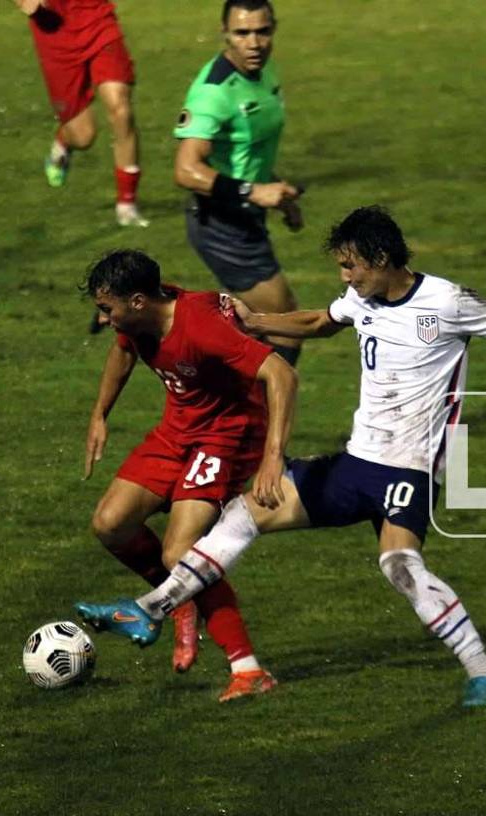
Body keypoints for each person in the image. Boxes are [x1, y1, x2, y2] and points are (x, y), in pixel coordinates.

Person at [76, 206, 486, 708]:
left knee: (399, 567)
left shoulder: (448, 301)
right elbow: (317, 322)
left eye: (349, 265)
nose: (343, 276)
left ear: (381, 260)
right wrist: (258, 321)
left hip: (409, 469)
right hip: (357, 462)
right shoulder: (361, 300)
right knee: (244, 513)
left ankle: (483, 673)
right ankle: (150, 608)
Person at [75, 249, 298, 702]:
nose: (103, 319)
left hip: (225, 435)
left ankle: (247, 668)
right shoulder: (138, 322)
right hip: (176, 431)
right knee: (110, 524)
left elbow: (281, 374)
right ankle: (178, 602)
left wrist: (273, 456)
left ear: (137, 301)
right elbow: (123, 355)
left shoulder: (200, 327)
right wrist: (100, 414)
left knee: (180, 550)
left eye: (106, 308)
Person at [172, 0, 304, 366]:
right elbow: (186, 170)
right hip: (220, 222)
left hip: (246, 214)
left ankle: (218, 402)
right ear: (224, 34)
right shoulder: (214, 92)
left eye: (262, 31)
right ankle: (260, 420)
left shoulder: (263, 71)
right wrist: (254, 191)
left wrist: (278, 193)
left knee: (253, 328)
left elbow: (249, 154)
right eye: (242, 33)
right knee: (283, 324)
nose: (254, 43)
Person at [15, 0, 149, 227]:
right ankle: (63, 140)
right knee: (83, 136)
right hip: (54, 30)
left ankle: (127, 204)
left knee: (120, 107)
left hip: (96, 17)